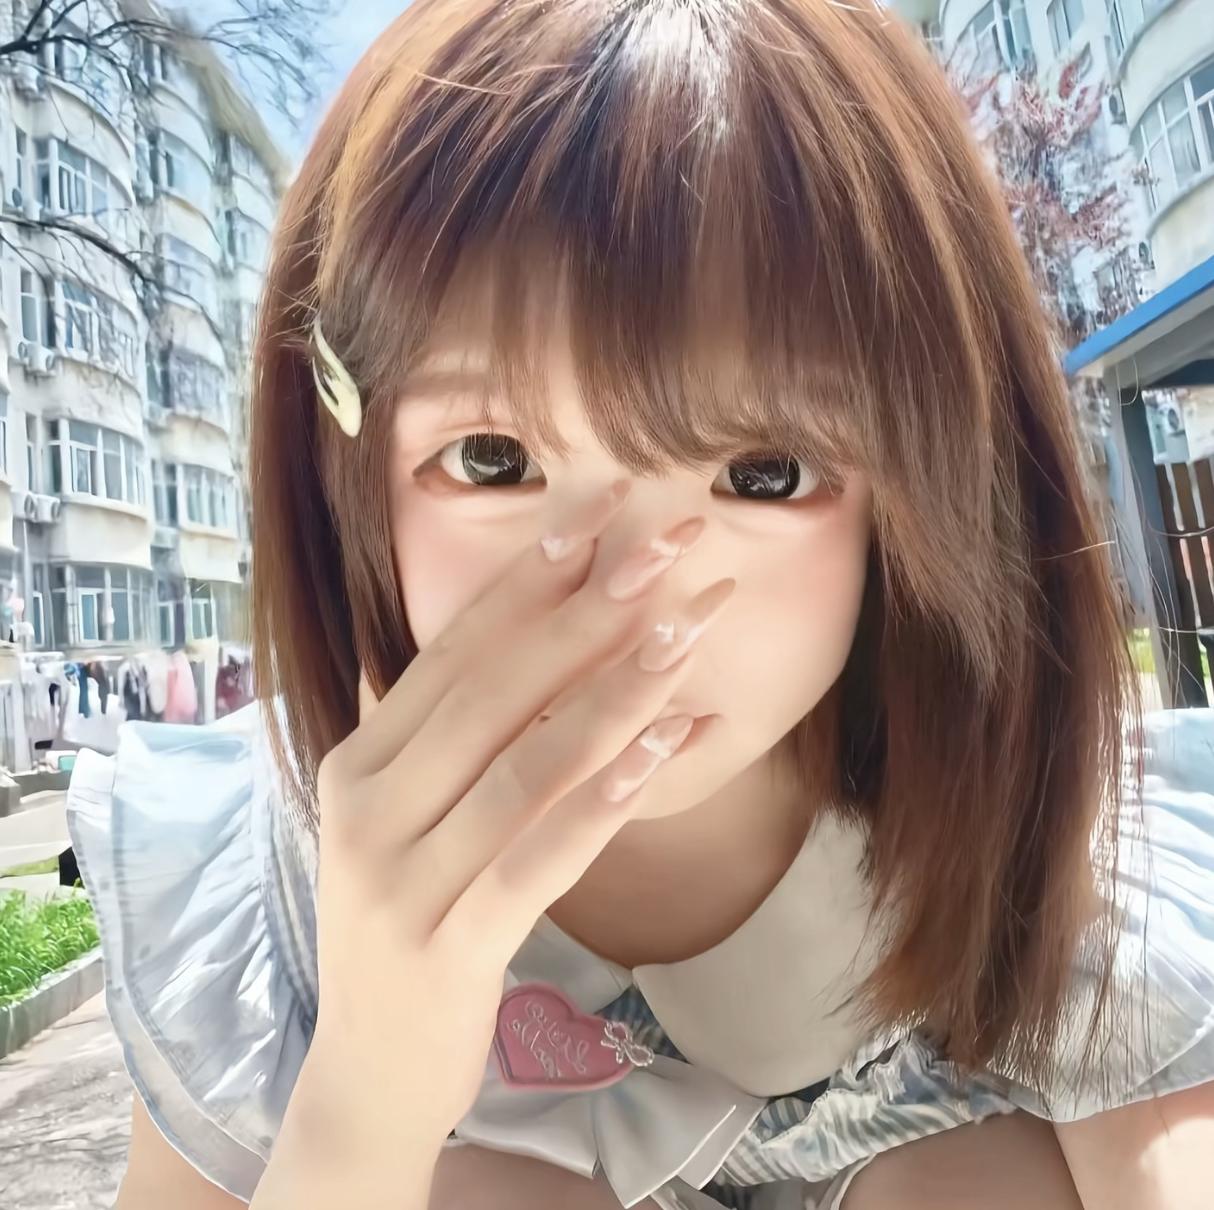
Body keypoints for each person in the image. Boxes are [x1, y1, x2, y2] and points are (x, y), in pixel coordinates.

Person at [66, 2, 1214, 1208]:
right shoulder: (270, 885)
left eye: (762, 473)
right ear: (344, 465)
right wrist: (365, 1100)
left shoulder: (1029, 823)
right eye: (495, 459)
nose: (634, 602)